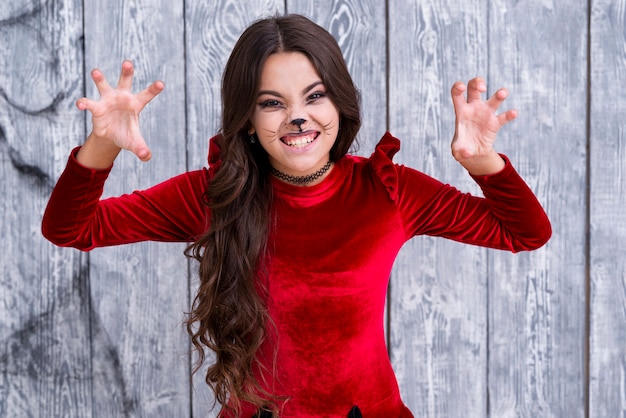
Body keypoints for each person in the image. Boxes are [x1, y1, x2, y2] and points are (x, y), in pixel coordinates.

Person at [42, 13, 551, 418]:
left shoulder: (388, 191)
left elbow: (525, 233)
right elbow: (70, 229)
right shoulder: (212, 195)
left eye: (315, 96)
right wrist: (102, 146)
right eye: (272, 103)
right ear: (246, 119)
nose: (298, 117)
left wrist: (483, 163)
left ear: (338, 102)